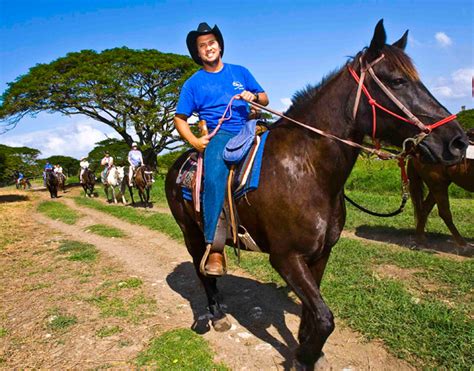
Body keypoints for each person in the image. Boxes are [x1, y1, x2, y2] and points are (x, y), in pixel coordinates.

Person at [174, 22, 269, 276]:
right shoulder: (193, 84)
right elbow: (180, 118)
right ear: (198, 53)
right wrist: (194, 142)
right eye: (202, 45)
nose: (208, 48)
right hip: (222, 134)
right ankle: (215, 247)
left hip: (252, 126)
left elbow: (265, 98)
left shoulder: (240, 72)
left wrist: (253, 97)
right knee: (215, 175)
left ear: (220, 45)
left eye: (212, 42)